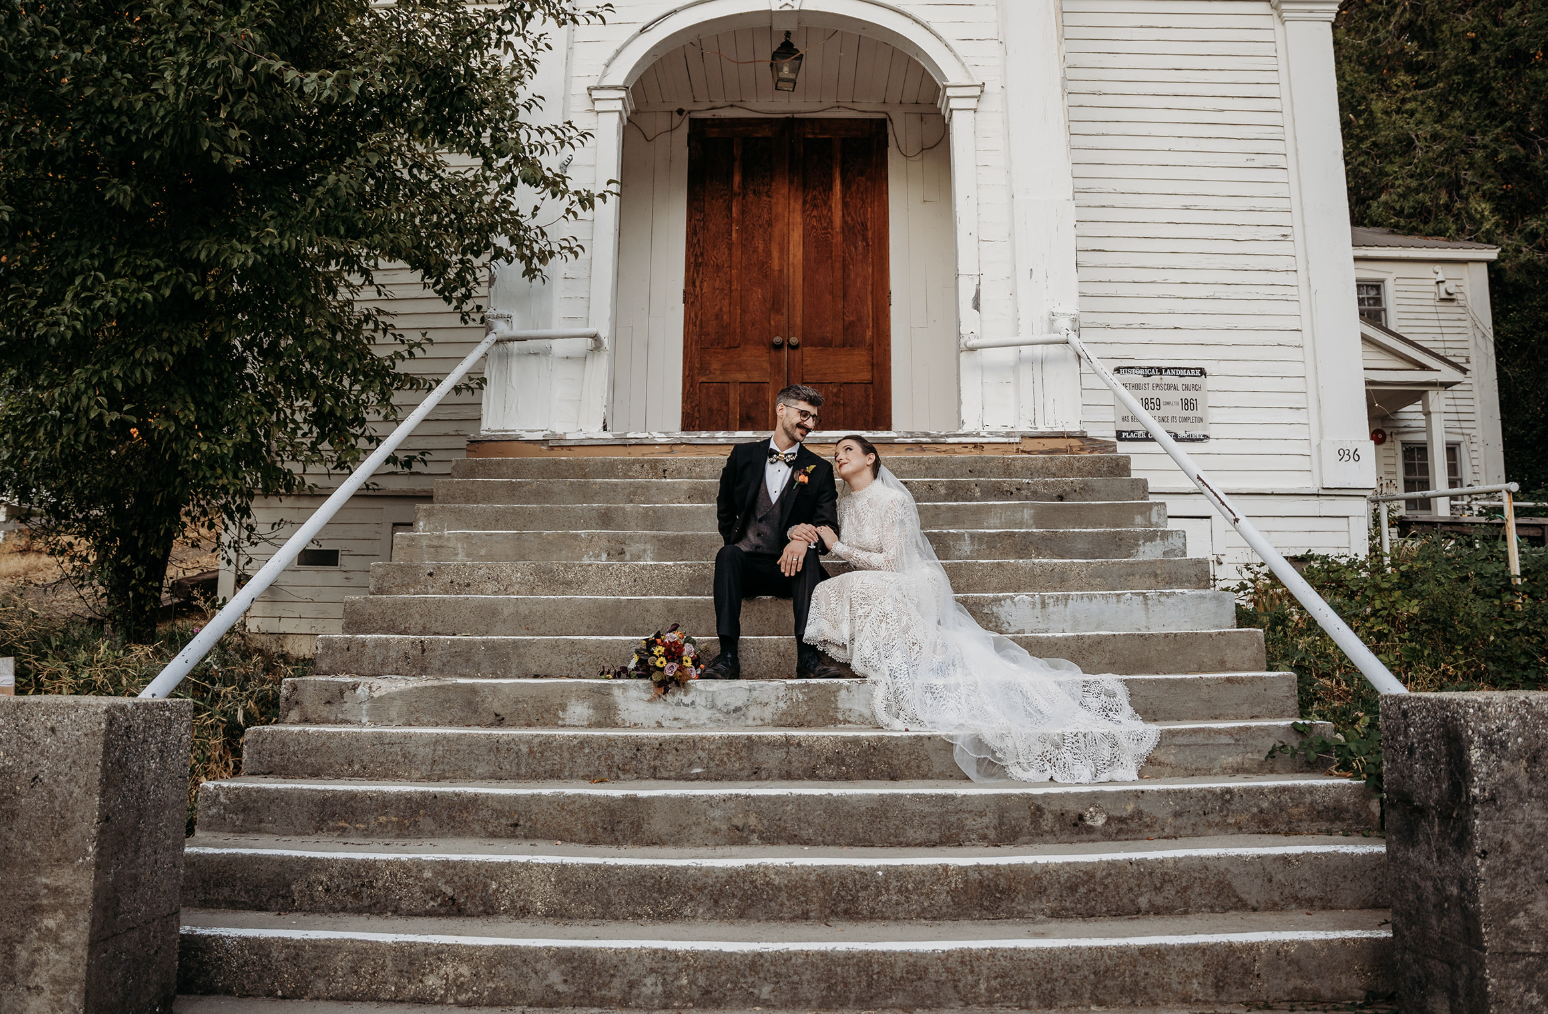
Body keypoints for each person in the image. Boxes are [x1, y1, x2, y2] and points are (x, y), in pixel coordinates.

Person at [803, 434, 1161, 783]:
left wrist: (840, 549)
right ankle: (910, 652)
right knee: (832, 587)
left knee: (853, 584)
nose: (839, 456)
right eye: (836, 452)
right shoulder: (843, 507)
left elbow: (895, 563)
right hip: (880, 581)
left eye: (848, 449)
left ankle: (927, 651)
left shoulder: (892, 499)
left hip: (912, 580)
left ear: (871, 458)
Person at [700, 385, 847, 680]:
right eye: (803, 414)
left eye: (814, 418)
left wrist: (802, 541)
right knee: (727, 555)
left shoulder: (818, 469)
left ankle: (807, 657)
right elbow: (725, 507)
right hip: (747, 564)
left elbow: (827, 524)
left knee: (808, 559)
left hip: (789, 568)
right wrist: (737, 541)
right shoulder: (743, 456)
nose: (809, 424)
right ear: (781, 410)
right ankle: (728, 655)